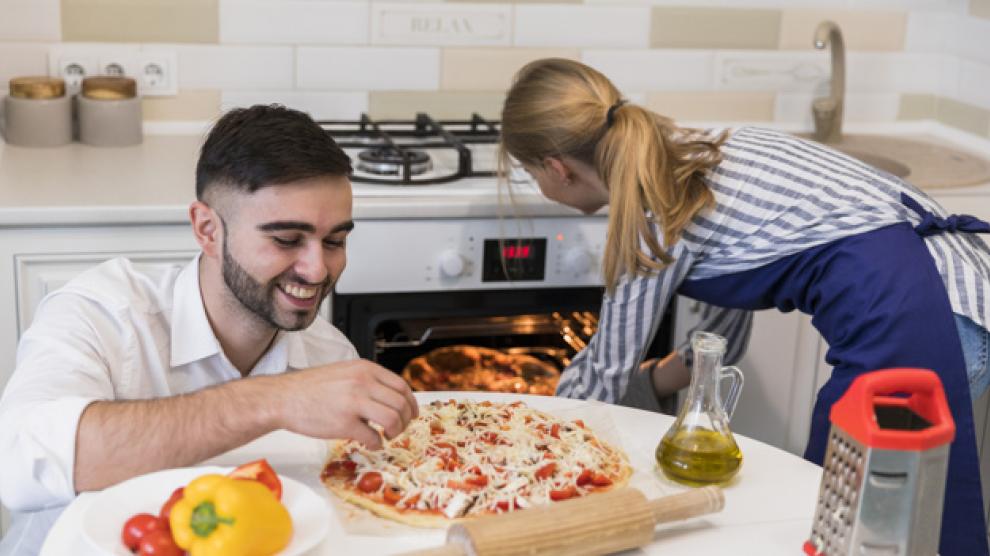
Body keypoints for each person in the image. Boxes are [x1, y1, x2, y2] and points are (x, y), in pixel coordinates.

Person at [498, 58, 990, 555]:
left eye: (528, 172)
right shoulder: (689, 157)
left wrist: (526, 452)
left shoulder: (650, 213)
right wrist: (651, 385)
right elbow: (719, 345)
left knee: (848, 523)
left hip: (925, 308)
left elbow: (600, 380)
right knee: (852, 516)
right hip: (949, 292)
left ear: (556, 169)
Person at [0, 105, 418, 554]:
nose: (317, 270)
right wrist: (276, 399)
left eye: (335, 241)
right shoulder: (101, 314)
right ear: (207, 229)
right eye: (285, 240)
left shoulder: (331, 356)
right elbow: (18, 466)